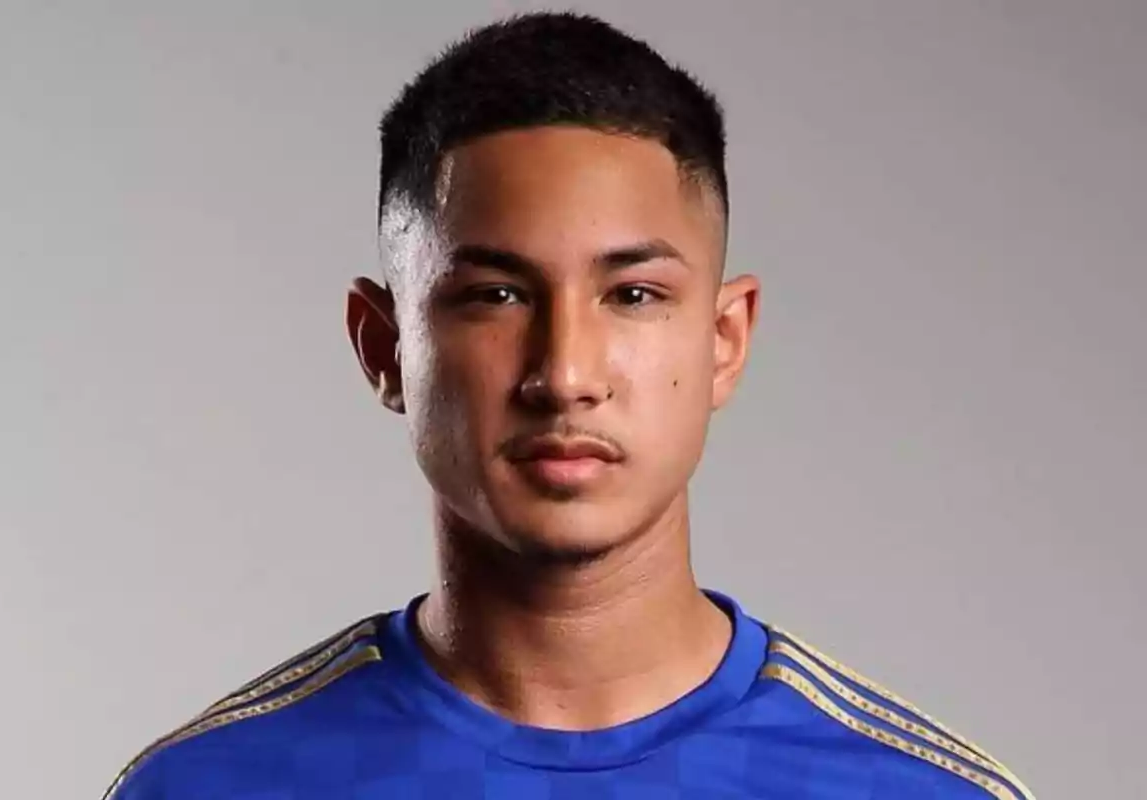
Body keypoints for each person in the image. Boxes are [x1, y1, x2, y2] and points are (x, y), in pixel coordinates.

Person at [102, 12, 1034, 800]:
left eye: (632, 295)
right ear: (384, 347)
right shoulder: (210, 786)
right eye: (496, 296)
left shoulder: (918, 791)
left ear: (724, 340)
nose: (565, 372)